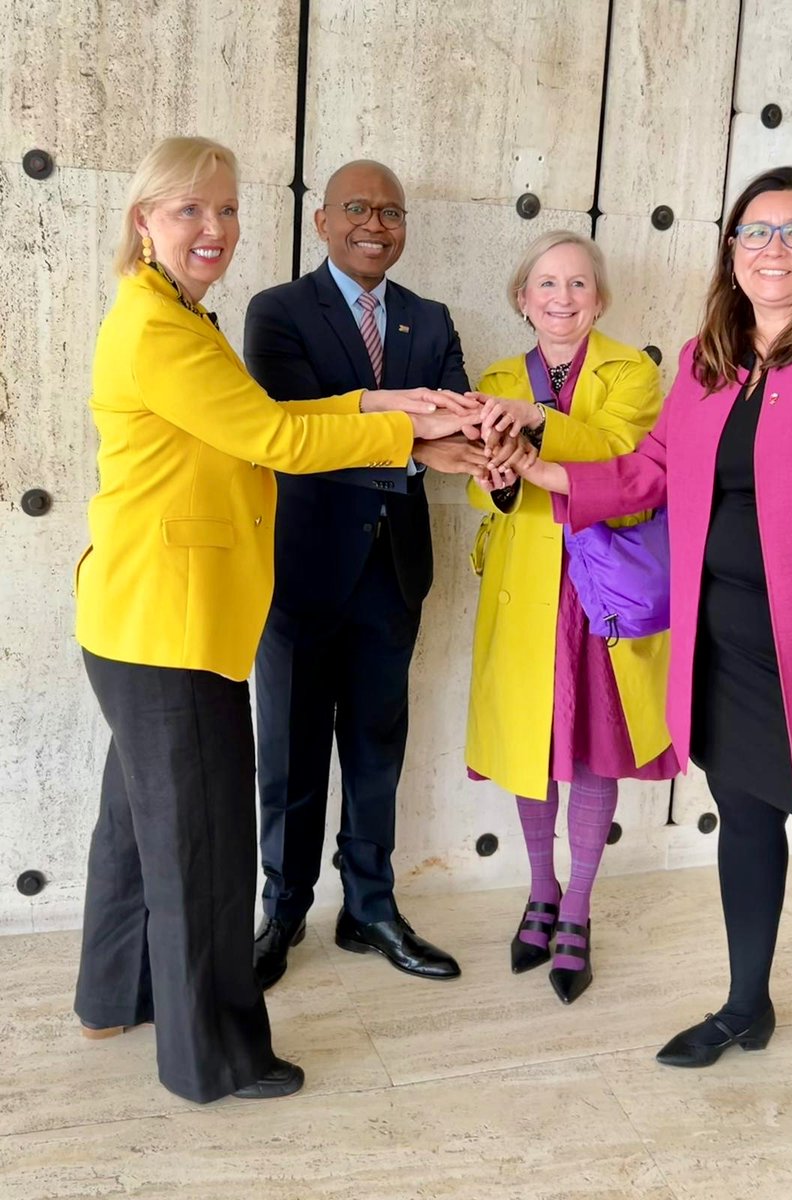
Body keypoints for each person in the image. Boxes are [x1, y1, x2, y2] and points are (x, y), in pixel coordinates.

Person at [510, 167, 792, 1187]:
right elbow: (649, 471)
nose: (773, 249)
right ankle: (749, 1005)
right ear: (730, 249)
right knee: (743, 828)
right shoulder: (710, 360)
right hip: (726, 657)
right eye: (755, 231)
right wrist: (540, 468)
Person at [73, 137, 472, 1104]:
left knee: (136, 829)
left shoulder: (176, 313)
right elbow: (272, 434)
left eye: (226, 209)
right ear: (144, 221)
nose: (214, 229)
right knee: (202, 847)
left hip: (143, 613)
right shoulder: (159, 328)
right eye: (188, 211)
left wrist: (384, 398)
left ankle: (113, 993)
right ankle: (215, 1059)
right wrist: (405, 424)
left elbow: (253, 414)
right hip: (170, 621)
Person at [244, 160, 482, 990]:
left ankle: (369, 907)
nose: (373, 223)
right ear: (322, 221)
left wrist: (451, 440)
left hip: (394, 571)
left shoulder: (429, 317)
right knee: (290, 751)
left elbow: (456, 415)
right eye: (356, 208)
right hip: (301, 569)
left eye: (389, 211)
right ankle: (282, 910)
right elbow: (293, 432)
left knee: (378, 748)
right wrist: (416, 446)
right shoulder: (277, 311)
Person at [464, 230, 676, 1006]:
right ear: (522, 299)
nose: (561, 298)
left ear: (601, 298)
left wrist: (532, 420)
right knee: (529, 745)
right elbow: (473, 486)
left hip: (601, 590)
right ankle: (540, 891)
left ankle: (578, 909)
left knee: (590, 749)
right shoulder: (489, 377)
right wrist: (490, 476)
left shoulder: (632, 371)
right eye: (546, 285)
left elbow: (625, 458)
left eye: (577, 284)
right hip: (524, 589)